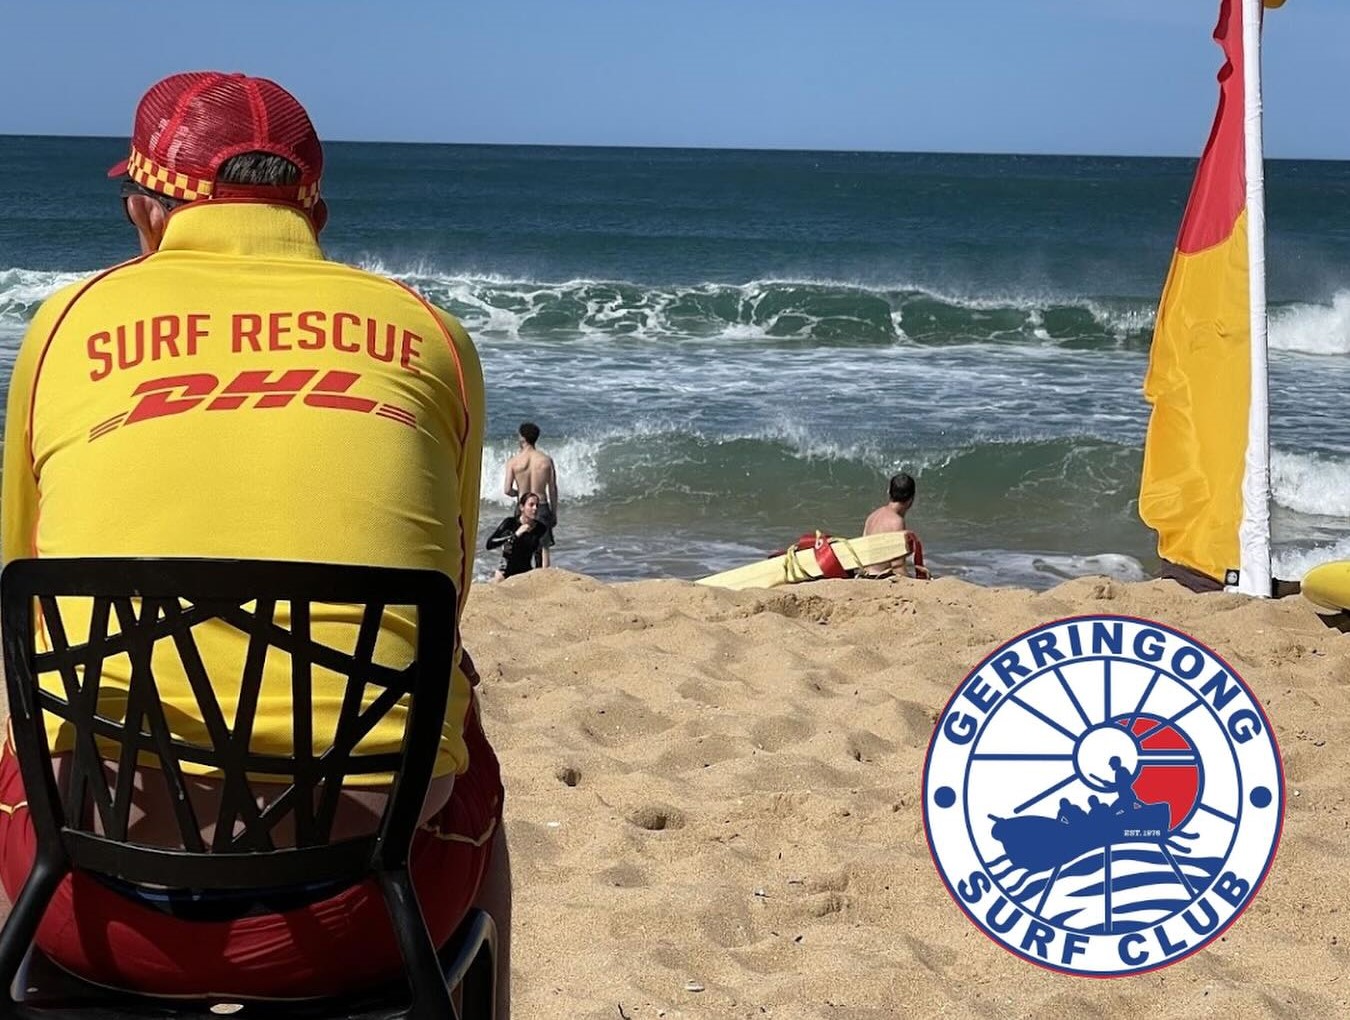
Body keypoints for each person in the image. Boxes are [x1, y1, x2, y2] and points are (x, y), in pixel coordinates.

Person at [0, 72, 509, 1013]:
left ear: (143, 213)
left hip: (96, 901)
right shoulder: (434, 335)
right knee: (460, 711)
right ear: (315, 213)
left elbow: (23, 579)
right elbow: (452, 585)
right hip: (370, 904)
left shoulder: (62, 326)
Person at [502, 421, 558, 566]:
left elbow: (507, 490)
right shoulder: (546, 460)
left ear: (522, 438)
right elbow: (552, 489)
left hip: (523, 506)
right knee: (543, 546)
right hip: (541, 505)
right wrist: (554, 512)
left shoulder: (513, 462)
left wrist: (520, 493)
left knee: (520, 543)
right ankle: (544, 576)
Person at [861, 472, 922, 578]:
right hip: (879, 578)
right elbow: (898, 568)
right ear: (911, 498)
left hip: (865, 575)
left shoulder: (872, 516)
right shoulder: (896, 522)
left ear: (888, 492)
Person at [487, 492, 550, 580]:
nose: (535, 508)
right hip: (505, 572)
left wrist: (539, 575)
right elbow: (489, 544)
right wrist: (516, 535)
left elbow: (539, 555)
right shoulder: (510, 523)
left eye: (537, 505)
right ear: (522, 507)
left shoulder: (540, 528)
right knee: (498, 579)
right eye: (531, 505)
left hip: (525, 571)